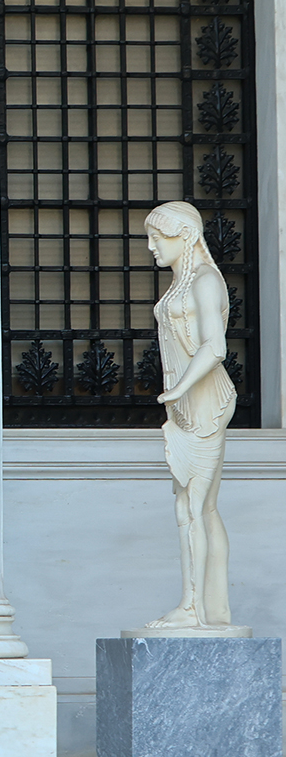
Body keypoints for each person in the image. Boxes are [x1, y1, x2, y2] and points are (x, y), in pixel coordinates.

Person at [143, 200, 238, 630]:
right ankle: (212, 610)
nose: (151, 247)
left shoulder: (205, 280)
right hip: (185, 405)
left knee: (193, 506)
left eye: (156, 237)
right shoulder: (182, 281)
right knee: (199, 506)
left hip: (204, 402)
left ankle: (193, 608)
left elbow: (215, 346)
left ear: (183, 235)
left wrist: (180, 388)